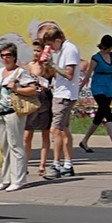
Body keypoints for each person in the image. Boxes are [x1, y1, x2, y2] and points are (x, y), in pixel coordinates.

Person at [0, 42, 39, 193]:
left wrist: (17, 88)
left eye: (8, 55)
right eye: (3, 55)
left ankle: (19, 179)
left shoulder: (20, 72)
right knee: (4, 147)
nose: (5, 58)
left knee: (16, 145)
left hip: (14, 112)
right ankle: (6, 179)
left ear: (14, 57)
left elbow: (33, 89)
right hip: (0, 112)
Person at [40, 26, 80, 179]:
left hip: (64, 95)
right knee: (63, 130)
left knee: (55, 130)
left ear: (58, 40)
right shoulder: (65, 50)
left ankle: (56, 164)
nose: (51, 48)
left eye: (52, 45)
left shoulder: (69, 49)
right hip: (63, 93)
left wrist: (52, 65)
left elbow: (69, 74)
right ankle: (68, 164)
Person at [78, 34, 112, 155]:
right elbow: (88, 74)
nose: (110, 49)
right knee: (107, 113)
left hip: (109, 87)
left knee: (100, 116)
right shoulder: (96, 58)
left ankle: (84, 141)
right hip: (98, 87)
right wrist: (79, 88)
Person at [22, 39, 54, 177]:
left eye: (38, 51)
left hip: (45, 100)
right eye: (34, 51)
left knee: (45, 133)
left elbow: (60, 80)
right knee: (27, 135)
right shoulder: (29, 66)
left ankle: (42, 165)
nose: (36, 53)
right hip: (32, 100)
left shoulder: (49, 68)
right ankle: (25, 164)